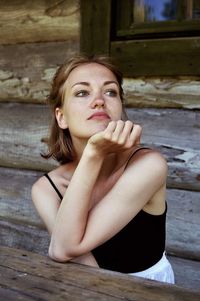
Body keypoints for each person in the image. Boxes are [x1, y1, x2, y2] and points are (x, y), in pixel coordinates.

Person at [31, 55, 175, 283]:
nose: (99, 100)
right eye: (82, 92)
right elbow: (66, 250)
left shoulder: (148, 165)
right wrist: (93, 154)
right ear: (61, 117)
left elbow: (64, 250)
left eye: (110, 92)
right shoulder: (47, 188)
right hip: (92, 288)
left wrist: (93, 153)